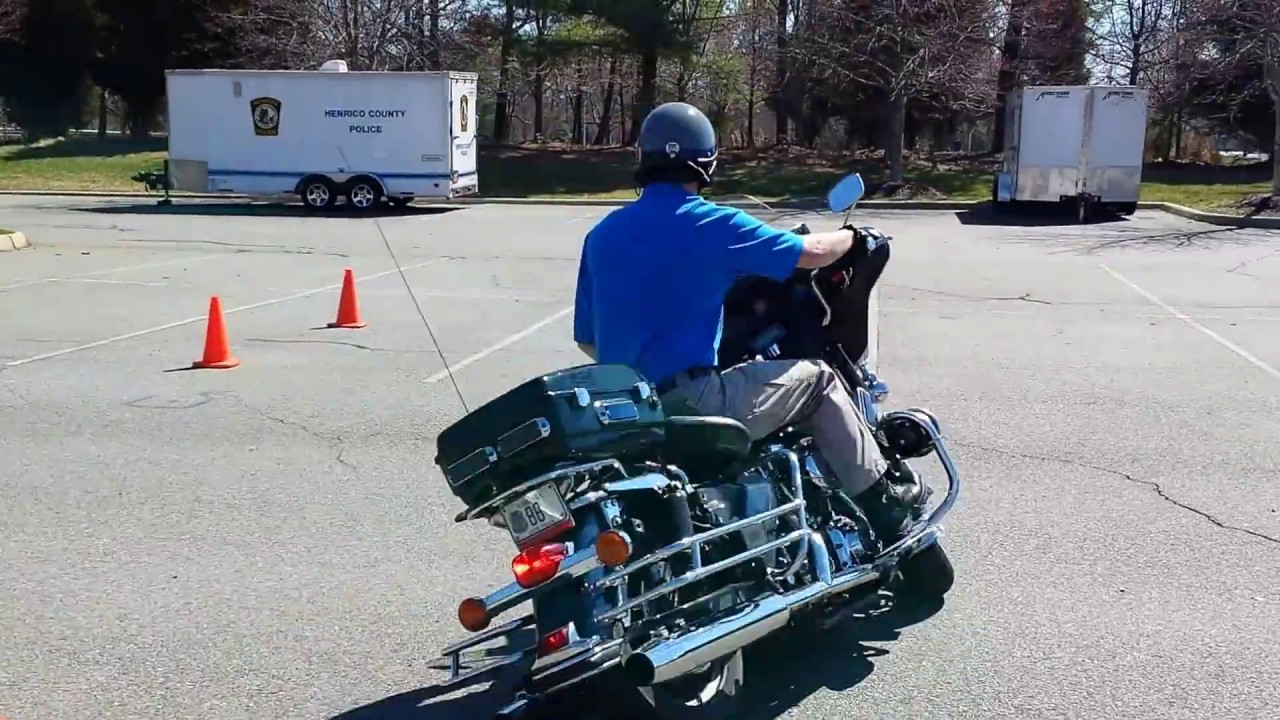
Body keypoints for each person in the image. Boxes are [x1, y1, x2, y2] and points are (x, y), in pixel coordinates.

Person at [571, 101, 925, 545]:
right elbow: (809, 251)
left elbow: (588, 340)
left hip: (628, 413)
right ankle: (884, 504)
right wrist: (855, 237)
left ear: (643, 159)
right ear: (706, 162)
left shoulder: (602, 235)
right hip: (693, 401)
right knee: (818, 382)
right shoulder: (710, 222)